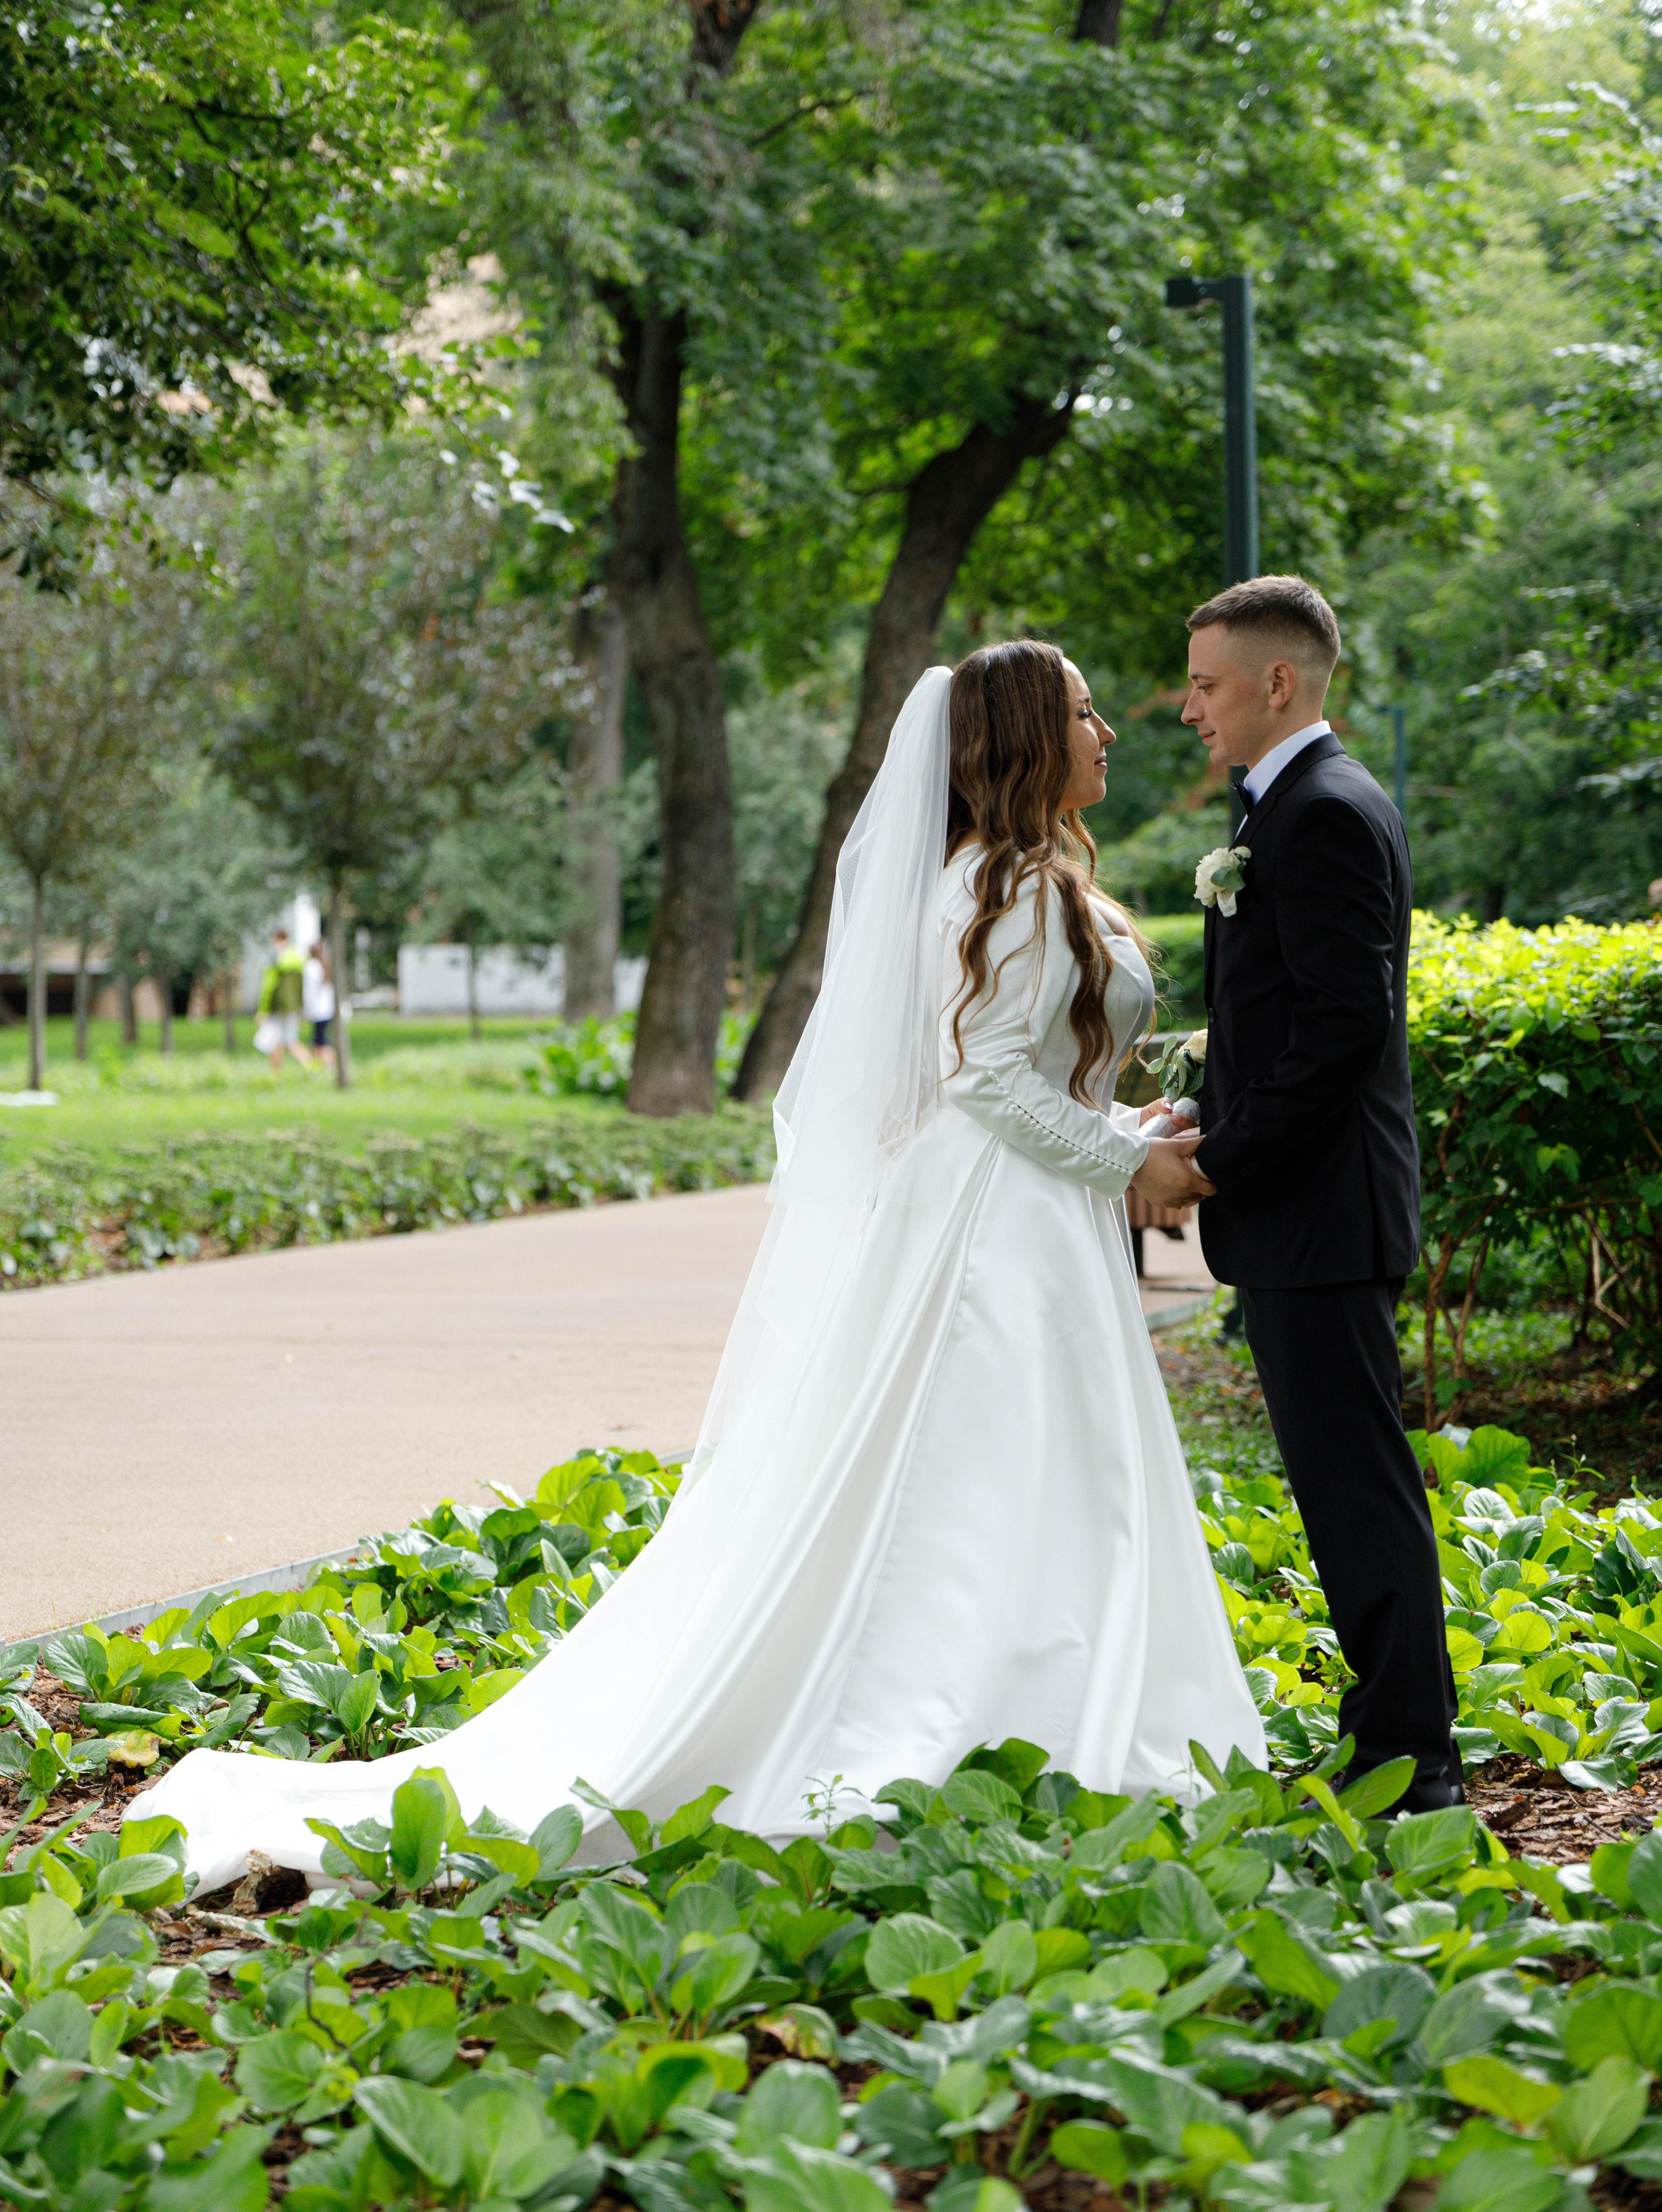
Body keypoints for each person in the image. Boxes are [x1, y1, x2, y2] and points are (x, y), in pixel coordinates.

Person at [130, 643, 1265, 1893]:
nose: (1109, 731)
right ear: (1023, 743)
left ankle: (1027, 1703)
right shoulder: (1013, 887)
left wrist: (1119, 1132)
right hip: (998, 1233)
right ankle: (1005, 1713)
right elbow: (986, 1079)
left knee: (1004, 1469)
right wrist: (1128, 1169)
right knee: (999, 1465)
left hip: (1000, 1210)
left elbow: (1017, 1077)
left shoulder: (990, 878)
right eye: (1083, 714)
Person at [1160, 573, 1459, 1813]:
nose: (1189, 709)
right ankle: (1389, 1732)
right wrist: (1198, 1112)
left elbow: (1340, 1036)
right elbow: (1283, 1022)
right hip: (1306, 1218)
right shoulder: (1288, 811)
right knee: (1343, 1487)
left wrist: (1216, 1162)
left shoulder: (1324, 812)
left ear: (1278, 682)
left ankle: (1415, 1761)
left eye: (1207, 683)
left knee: (1358, 1488)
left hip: (1322, 1218)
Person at [253, 928, 310, 1077]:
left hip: (277, 1008)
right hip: (292, 1007)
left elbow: (268, 988)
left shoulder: (275, 961)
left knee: (278, 1041)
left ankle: (276, 1074)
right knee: (287, 1040)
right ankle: (310, 1068)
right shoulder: (298, 959)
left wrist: (263, 1009)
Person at [303, 940, 336, 1072]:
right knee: (318, 1040)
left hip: (317, 1010)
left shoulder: (311, 967)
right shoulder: (324, 966)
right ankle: (318, 1067)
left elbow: (310, 992)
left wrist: (306, 1009)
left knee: (321, 1042)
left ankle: (330, 1065)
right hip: (327, 1010)